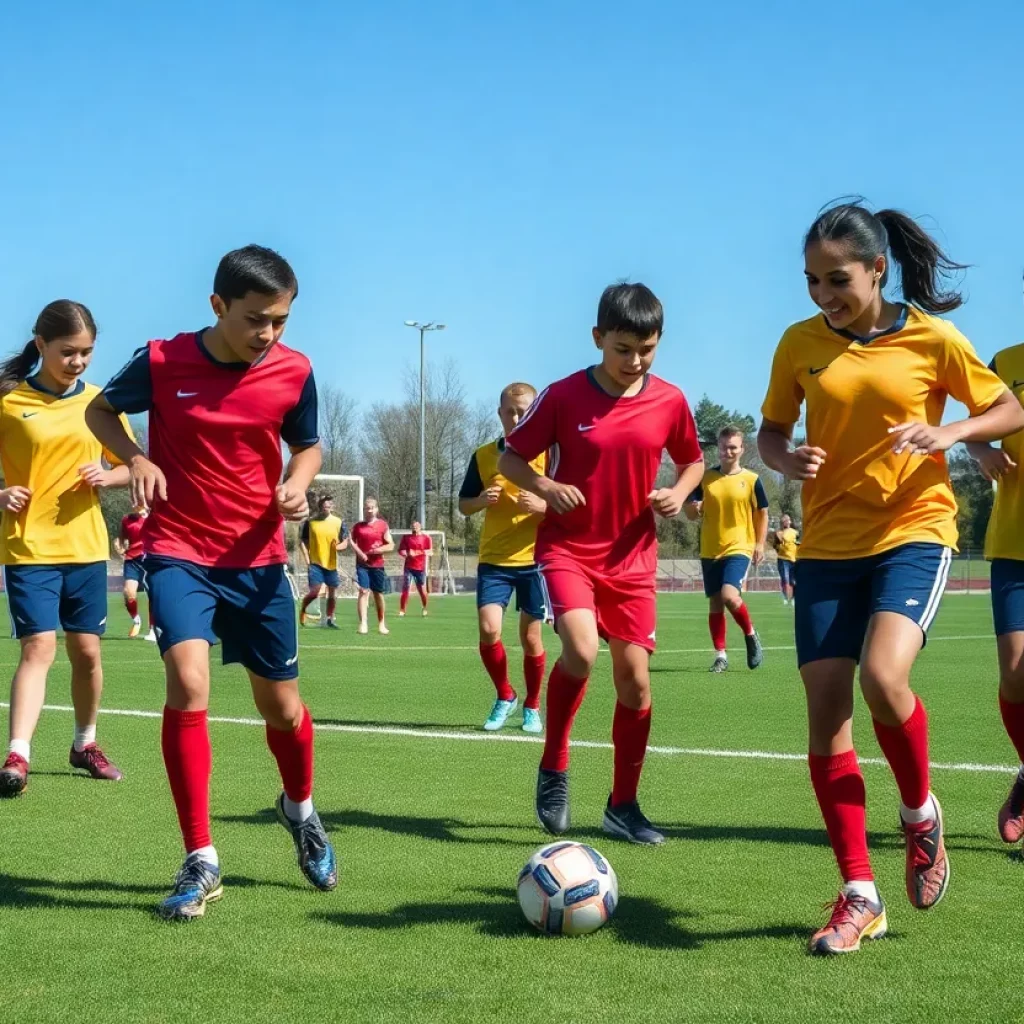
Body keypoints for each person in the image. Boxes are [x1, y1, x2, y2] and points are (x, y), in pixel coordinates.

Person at [757, 201, 1024, 956]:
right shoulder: (798, 344)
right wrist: (785, 458)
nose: (822, 295)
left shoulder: (932, 338)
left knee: (883, 675)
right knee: (826, 713)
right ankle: (859, 894)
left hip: (915, 530)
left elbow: (1003, 406)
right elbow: (773, 430)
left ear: (878, 269)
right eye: (811, 281)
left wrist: (950, 432)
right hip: (828, 546)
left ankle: (918, 813)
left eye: (836, 279)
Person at [85, 245, 337, 921]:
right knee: (189, 683)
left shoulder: (294, 370)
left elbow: (308, 444)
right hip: (178, 552)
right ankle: (201, 856)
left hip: (256, 560)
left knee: (282, 708)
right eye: (257, 319)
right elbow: (100, 412)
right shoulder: (163, 360)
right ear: (218, 306)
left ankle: (301, 811)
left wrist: (297, 482)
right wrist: (135, 456)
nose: (270, 334)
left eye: (281, 320)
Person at [498, 283, 704, 844]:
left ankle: (623, 806)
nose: (633, 361)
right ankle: (555, 763)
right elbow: (510, 456)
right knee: (582, 650)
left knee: (635, 682)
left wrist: (679, 492)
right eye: (621, 349)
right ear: (597, 339)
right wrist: (547, 484)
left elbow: (693, 461)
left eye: (646, 349)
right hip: (568, 550)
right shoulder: (564, 396)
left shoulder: (670, 400)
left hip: (633, 559)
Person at [0, 300, 133, 798]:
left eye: (87, 353)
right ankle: (17, 755)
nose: (78, 361)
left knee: (87, 653)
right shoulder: (8, 400)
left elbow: (131, 465)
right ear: (40, 345)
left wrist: (110, 473)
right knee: (40, 647)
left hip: (85, 546)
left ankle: (85, 744)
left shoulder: (100, 403)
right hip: (28, 545)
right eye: (67, 352)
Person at [460, 382, 548, 734]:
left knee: (531, 638)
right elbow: (464, 505)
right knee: (489, 629)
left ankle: (532, 705)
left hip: (536, 560)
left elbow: (572, 503)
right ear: (499, 414)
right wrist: (482, 500)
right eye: (510, 411)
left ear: (535, 412)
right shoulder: (484, 456)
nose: (516, 417)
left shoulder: (552, 454)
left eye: (524, 411)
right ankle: (506, 695)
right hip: (495, 559)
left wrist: (544, 505)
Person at [966, 345, 1024, 848]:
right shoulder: (1004, 363)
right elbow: (971, 424)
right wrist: (981, 451)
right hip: (1013, 543)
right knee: (1015, 674)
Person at [685, 425, 767, 672]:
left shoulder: (752, 480)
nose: (728, 451)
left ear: (742, 449)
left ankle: (751, 635)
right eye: (723, 447)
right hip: (710, 548)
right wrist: (692, 508)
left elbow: (762, 512)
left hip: (739, 546)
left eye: (733, 447)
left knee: (730, 596)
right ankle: (721, 656)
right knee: (715, 603)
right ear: (718, 449)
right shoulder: (706, 478)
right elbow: (690, 510)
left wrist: (759, 544)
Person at [299, 493, 347, 629]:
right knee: (315, 591)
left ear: (332, 506)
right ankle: (304, 610)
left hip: (331, 564)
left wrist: (338, 547)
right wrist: (307, 560)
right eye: (324, 504)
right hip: (315, 563)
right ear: (320, 506)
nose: (327, 506)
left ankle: (330, 619)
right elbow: (303, 541)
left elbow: (346, 542)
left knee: (332, 593)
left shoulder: (339, 522)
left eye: (329, 504)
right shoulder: (311, 523)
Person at [349, 497, 393, 635]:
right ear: (364, 510)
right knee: (363, 591)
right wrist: (360, 553)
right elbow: (351, 541)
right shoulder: (358, 527)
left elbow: (391, 545)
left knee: (378, 593)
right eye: (367, 508)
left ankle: (381, 623)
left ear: (376, 509)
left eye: (372, 508)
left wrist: (378, 550)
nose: (369, 510)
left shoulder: (382, 525)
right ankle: (363, 623)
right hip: (362, 565)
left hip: (378, 565)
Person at [117, 504, 156, 640]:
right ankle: (136, 620)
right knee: (129, 593)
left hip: (148, 557)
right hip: (131, 559)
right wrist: (120, 546)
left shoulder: (154, 516)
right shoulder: (127, 519)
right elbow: (122, 538)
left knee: (153, 594)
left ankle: (153, 630)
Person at [398, 521, 432, 617]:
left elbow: (430, 551)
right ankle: (402, 610)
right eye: (413, 527)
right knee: (406, 588)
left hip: (420, 568)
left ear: (420, 527)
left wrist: (417, 552)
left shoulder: (426, 538)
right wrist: (406, 554)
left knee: (421, 589)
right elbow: (401, 550)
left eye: (416, 527)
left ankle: (424, 607)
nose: (414, 528)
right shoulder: (406, 538)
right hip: (408, 567)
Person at [770, 513, 799, 606]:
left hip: (794, 559)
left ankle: (794, 598)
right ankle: (785, 598)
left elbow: (799, 544)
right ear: (782, 523)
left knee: (793, 581)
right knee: (785, 579)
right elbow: (774, 545)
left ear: (790, 521)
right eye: (785, 520)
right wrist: (780, 548)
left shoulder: (795, 532)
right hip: (782, 559)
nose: (787, 522)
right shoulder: (778, 533)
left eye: (788, 520)